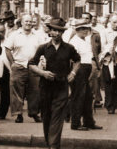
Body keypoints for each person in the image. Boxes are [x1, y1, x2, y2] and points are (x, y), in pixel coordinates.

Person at [28, 18, 80, 149]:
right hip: (45, 87)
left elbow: (78, 61)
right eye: (53, 30)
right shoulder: (43, 48)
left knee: (57, 116)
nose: (56, 33)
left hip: (61, 87)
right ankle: (49, 143)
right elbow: (31, 64)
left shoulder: (69, 48)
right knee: (46, 117)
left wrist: (73, 73)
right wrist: (42, 73)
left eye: (59, 31)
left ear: (62, 33)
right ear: (50, 32)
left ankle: (54, 145)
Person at [4, 14, 42, 123]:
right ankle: (18, 114)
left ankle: (34, 113)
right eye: (26, 21)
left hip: (33, 66)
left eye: (30, 22)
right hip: (19, 66)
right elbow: (7, 49)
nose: (29, 24)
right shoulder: (14, 35)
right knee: (17, 91)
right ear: (21, 22)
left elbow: (42, 50)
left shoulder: (37, 35)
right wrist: (12, 64)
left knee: (35, 91)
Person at [69, 20, 102, 130]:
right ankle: (75, 123)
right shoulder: (75, 42)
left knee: (88, 97)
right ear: (77, 30)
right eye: (81, 29)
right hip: (79, 70)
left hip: (86, 70)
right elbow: (73, 60)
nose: (85, 31)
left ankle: (88, 122)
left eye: (86, 29)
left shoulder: (84, 40)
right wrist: (73, 73)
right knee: (78, 97)